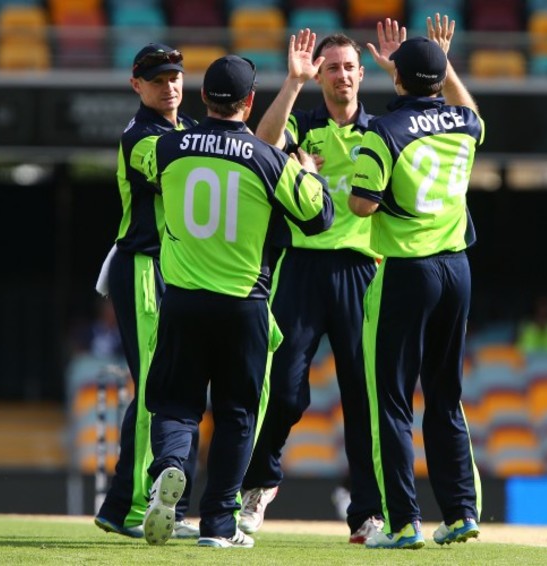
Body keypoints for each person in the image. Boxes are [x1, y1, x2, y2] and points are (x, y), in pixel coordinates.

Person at [138, 54, 334, 549]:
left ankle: (168, 469)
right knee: (236, 414)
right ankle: (219, 525)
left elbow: (142, 169)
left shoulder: (169, 147)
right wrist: (308, 171)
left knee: (176, 405)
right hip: (243, 304)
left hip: (183, 299)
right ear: (250, 103)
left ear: (203, 97)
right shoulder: (268, 160)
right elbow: (320, 217)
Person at [238, 21, 405, 544]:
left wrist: (402, 74)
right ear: (321, 76)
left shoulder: (381, 131)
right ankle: (260, 484)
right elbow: (262, 142)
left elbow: (424, 126)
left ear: (361, 74)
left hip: (361, 269)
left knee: (362, 398)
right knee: (285, 390)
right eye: (331, 68)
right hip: (303, 269)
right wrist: (292, 82)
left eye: (350, 68)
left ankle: (367, 515)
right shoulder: (304, 125)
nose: (342, 77)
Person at [348, 14, 484, 549]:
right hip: (457, 269)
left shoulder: (382, 132)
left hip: (406, 269)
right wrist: (439, 67)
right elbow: (468, 108)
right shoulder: (465, 126)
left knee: (391, 402)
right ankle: (462, 513)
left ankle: (403, 524)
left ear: (397, 80)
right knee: (446, 397)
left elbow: (361, 205)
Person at [94, 43, 199, 540]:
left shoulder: (186, 132)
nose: (170, 85)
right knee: (157, 390)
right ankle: (136, 508)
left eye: (175, 76)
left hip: (173, 270)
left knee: (162, 390)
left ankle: (123, 505)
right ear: (136, 85)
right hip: (143, 267)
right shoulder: (141, 136)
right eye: (158, 79)